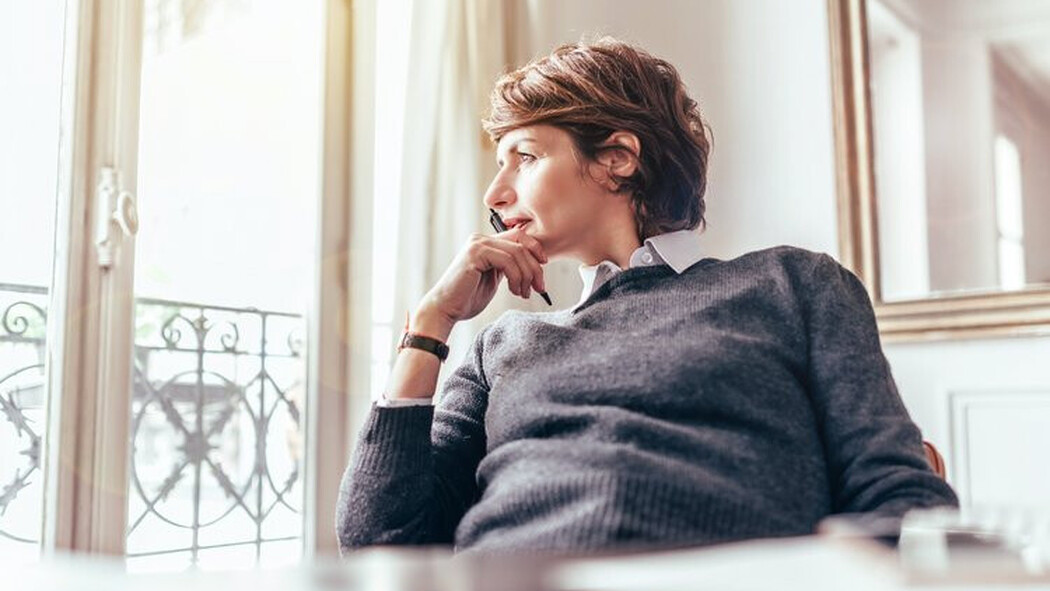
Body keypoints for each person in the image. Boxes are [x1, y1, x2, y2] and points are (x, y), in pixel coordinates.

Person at [336, 37, 957, 556]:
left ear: (617, 158)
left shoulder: (794, 285)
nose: (494, 193)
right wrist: (431, 323)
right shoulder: (500, 344)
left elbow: (898, 497)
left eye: (523, 157)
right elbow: (380, 541)